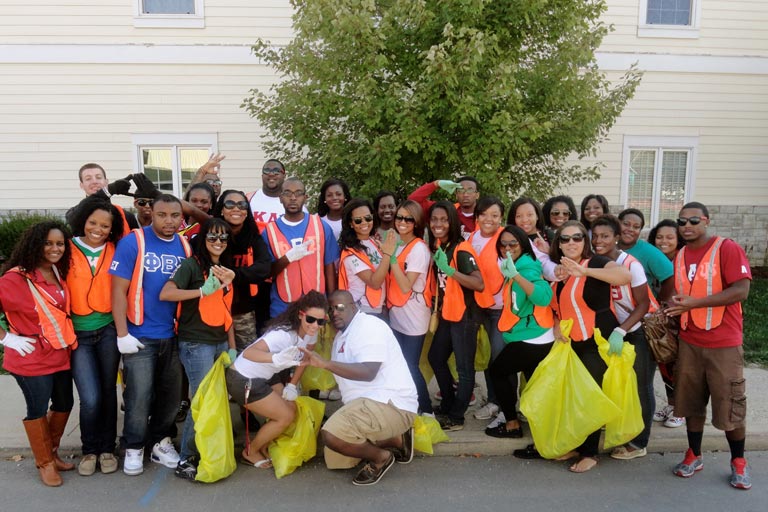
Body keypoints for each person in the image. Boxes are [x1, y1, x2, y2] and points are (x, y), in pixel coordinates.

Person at [665, 202, 752, 490]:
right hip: (690, 340)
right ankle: (694, 454)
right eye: (681, 221)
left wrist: (695, 303)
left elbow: (741, 290)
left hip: (723, 342)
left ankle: (738, 461)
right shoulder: (680, 255)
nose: (687, 225)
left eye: (693, 220)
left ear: (706, 221)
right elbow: (681, 293)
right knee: (690, 402)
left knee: (729, 403)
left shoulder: (725, 248)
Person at [109, 194, 191, 476]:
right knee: (139, 397)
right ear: (150, 214)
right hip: (140, 334)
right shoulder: (133, 241)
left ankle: (160, 442)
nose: (169, 221)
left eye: (174, 216)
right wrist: (122, 333)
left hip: (174, 334)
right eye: (162, 215)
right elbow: (118, 291)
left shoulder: (185, 245)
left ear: (182, 217)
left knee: (170, 398)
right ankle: (133, 446)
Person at [300, 290, 418, 486]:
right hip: (366, 405)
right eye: (330, 309)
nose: (334, 313)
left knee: (331, 434)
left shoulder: (369, 326)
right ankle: (397, 439)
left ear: (354, 307)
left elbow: (368, 371)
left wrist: (326, 364)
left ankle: (381, 457)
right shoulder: (341, 337)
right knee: (336, 460)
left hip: (390, 403)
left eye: (340, 307)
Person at [548, 220, 631, 473]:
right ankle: (578, 445)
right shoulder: (561, 271)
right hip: (573, 344)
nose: (571, 243)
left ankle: (590, 453)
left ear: (585, 241)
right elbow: (557, 306)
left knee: (590, 397)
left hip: (597, 341)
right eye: (565, 239)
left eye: (577, 238)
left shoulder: (595, 262)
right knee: (575, 397)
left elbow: (624, 276)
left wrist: (584, 272)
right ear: (558, 244)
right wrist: (555, 322)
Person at [0, 221, 78, 487]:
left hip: (59, 352)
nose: (54, 248)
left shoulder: (58, 271)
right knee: (37, 408)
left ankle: (52, 454)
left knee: (65, 403)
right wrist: (6, 338)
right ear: (35, 244)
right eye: (48, 243)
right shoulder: (15, 278)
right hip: (30, 357)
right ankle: (44, 462)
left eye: (59, 243)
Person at [159, 218, 237, 481]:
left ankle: (207, 450)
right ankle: (187, 458)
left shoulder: (225, 270)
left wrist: (233, 347)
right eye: (212, 237)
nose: (218, 242)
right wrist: (201, 292)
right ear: (202, 239)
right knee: (201, 400)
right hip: (196, 343)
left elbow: (227, 311)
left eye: (223, 238)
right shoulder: (190, 265)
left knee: (214, 400)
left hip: (219, 342)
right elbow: (166, 294)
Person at [227, 291, 329, 469]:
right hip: (243, 378)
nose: (315, 325)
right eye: (311, 319)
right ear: (300, 315)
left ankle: (264, 443)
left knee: (291, 407)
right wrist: (274, 358)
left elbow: (304, 360)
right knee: (285, 416)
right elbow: (249, 353)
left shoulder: (311, 332)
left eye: (321, 321)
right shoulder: (282, 335)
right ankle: (250, 451)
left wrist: (292, 385)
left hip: (267, 374)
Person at [589, 215, 656, 461]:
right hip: (616, 330)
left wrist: (622, 330)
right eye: (594, 236)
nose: (598, 241)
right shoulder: (598, 262)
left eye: (605, 236)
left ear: (617, 237)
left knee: (641, 385)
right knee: (621, 384)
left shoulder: (630, 264)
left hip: (638, 329)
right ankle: (623, 428)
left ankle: (640, 442)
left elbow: (644, 304)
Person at [67, 197, 125, 476]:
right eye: (93, 223)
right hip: (78, 334)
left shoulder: (117, 249)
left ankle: (106, 449)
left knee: (107, 391)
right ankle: (89, 449)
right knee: (90, 397)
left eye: (105, 225)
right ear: (83, 221)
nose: (98, 229)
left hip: (108, 329)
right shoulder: (66, 248)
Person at [486, 226, 554, 439]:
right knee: (532, 385)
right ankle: (541, 435)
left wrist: (516, 276)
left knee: (497, 371)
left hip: (534, 337)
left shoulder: (526, 267)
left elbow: (543, 297)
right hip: (529, 335)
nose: (507, 248)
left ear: (523, 244)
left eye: (512, 244)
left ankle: (512, 424)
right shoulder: (516, 264)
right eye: (503, 244)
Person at [426, 201, 484, 431]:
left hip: (465, 316)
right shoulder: (441, 245)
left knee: (464, 368)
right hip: (448, 315)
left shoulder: (461, 249)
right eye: (434, 219)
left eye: (443, 219)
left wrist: (451, 271)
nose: (438, 224)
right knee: (436, 358)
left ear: (452, 221)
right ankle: (449, 402)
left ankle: (457, 416)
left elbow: (478, 283)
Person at [262, 177, 339, 317]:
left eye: (298, 193)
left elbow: (329, 266)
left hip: (316, 306)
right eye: (287, 193)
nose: (293, 198)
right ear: (280, 197)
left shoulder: (321, 226)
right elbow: (267, 272)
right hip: (282, 307)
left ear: (305, 197)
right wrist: (288, 258)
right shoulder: (269, 232)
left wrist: (331, 301)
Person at [386, 200, 433, 415]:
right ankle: (407, 404)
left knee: (411, 365)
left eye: (408, 218)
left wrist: (391, 257)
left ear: (416, 223)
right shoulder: (398, 244)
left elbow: (406, 286)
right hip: (397, 313)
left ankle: (426, 409)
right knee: (399, 363)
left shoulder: (419, 249)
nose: (402, 222)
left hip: (414, 316)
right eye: (399, 217)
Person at [211, 190, 272, 352]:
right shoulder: (211, 235)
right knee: (217, 357)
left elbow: (265, 267)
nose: (236, 208)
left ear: (247, 211)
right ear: (221, 210)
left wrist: (236, 275)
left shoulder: (253, 237)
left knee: (246, 359)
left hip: (243, 311)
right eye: (230, 204)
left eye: (242, 204)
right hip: (214, 308)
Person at [467, 197, 505, 421]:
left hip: (500, 309)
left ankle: (499, 403)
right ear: (477, 216)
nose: (488, 219)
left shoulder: (506, 239)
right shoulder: (471, 238)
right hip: (477, 307)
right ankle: (494, 400)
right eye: (484, 214)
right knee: (483, 356)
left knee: (498, 358)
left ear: (501, 217)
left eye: (494, 215)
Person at [648, 219, 686, 428]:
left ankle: (681, 408)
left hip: (680, 318)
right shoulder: (654, 259)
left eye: (670, 237)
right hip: (659, 321)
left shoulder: (684, 260)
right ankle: (671, 404)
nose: (664, 241)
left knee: (679, 365)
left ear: (678, 239)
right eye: (659, 237)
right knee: (664, 362)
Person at [338, 198, 396, 316]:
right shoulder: (350, 252)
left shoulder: (372, 241)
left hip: (378, 307)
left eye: (368, 218)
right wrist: (387, 253)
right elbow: (374, 283)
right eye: (358, 220)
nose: (364, 223)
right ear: (351, 224)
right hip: (363, 310)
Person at [617, 208, 675, 303]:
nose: (630, 229)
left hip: (641, 311)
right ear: (617, 224)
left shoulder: (648, 251)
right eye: (626, 224)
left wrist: (659, 303)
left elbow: (670, 277)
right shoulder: (610, 247)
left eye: (636, 227)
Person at [66, 163, 139, 234]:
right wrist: (107, 191)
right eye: (88, 179)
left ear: (106, 182)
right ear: (81, 185)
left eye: (98, 177)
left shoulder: (126, 217)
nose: (94, 182)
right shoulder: (73, 214)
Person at [408, 177, 480, 239]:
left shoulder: (485, 215)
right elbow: (412, 202)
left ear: (477, 195)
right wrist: (436, 184)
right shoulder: (445, 211)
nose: (465, 194)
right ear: (456, 195)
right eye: (461, 191)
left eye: (470, 190)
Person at [507, 197, 558, 281]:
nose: (525, 220)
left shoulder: (548, 235)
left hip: (547, 288)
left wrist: (549, 251)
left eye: (529, 215)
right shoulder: (510, 238)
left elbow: (562, 261)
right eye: (519, 216)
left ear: (537, 216)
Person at [247, 158, 288, 232]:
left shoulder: (293, 203)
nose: (271, 174)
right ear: (262, 175)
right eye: (267, 171)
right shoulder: (248, 199)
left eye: (276, 171)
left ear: (284, 175)